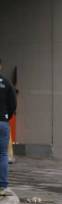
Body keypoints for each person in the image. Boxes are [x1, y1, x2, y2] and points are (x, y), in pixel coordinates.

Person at [0, 58, 17, 195]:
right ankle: (3, 186)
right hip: (3, 122)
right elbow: (13, 104)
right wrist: (7, 116)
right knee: (3, 154)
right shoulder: (6, 83)